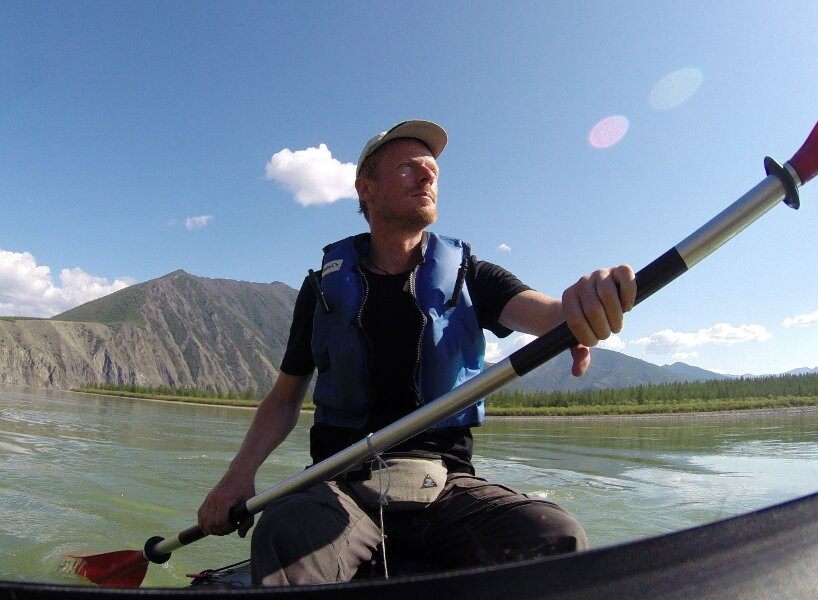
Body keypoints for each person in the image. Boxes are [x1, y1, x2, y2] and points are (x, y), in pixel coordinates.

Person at [198, 120, 636, 586]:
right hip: (340, 483)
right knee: (284, 530)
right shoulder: (322, 288)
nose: (428, 176)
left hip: (447, 484)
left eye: (433, 171)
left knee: (553, 533)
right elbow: (285, 398)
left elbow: (550, 313)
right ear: (365, 189)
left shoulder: (470, 275)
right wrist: (238, 474)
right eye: (409, 167)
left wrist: (583, 302)